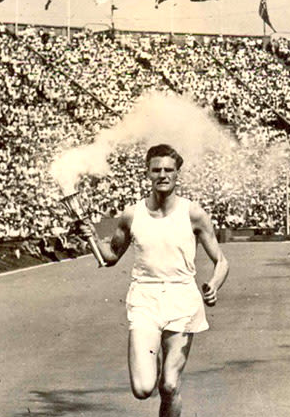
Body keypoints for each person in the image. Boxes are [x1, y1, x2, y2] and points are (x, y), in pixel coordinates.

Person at [78, 144, 229, 417]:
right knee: (143, 388)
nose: (162, 175)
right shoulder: (132, 214)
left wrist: (214, 286)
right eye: (156, 169)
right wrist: (90, 236)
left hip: (182, 299)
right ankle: (153, 357)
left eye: (168, 170)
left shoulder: (193, 213)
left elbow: (221, 261)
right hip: (145, 299)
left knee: (170, 385)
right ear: (147, 172)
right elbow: (110, 256)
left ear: (177, 174)